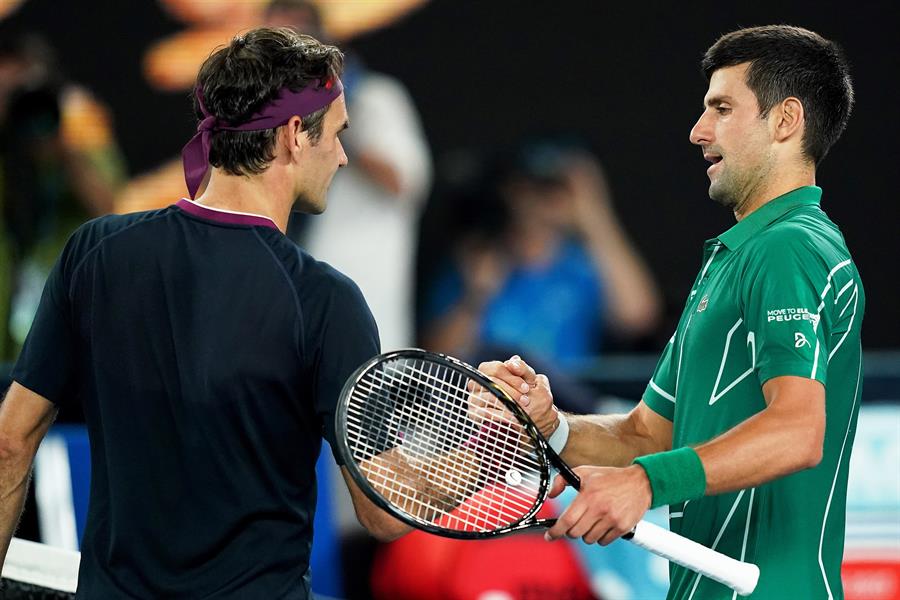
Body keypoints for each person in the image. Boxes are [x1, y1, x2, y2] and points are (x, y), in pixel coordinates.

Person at [0, 27, 407, 598]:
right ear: (294, 135)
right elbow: (383, 513)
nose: (341, 155)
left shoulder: (94, 253)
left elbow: (10, 444)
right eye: (337, 134)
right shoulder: (324, 300)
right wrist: (491, 445)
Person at [481, 25, 862, 599]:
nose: (697, 131)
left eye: (722, 108)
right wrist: (552, 427)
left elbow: (798, 431)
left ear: (785, 122)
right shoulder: (735, 260)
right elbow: (647, 434)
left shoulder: (789, 248)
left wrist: (644, 484)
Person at [265, 0, 432, 352]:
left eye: (294, 42)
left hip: (369, 320)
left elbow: (404, 183)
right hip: (294, 319)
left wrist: (333, 120)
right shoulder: (268, 119)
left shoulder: (378, 99)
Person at [422, 143, 662, 371]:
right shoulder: (478, 262)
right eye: (533, 186)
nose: (543, 200)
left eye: (556, 187)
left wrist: (594, 214)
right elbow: (434, 362)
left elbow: (638, 318)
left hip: (566, 401)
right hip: (492, 402)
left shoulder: (583, 265)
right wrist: (477, 297)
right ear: (511, 191)